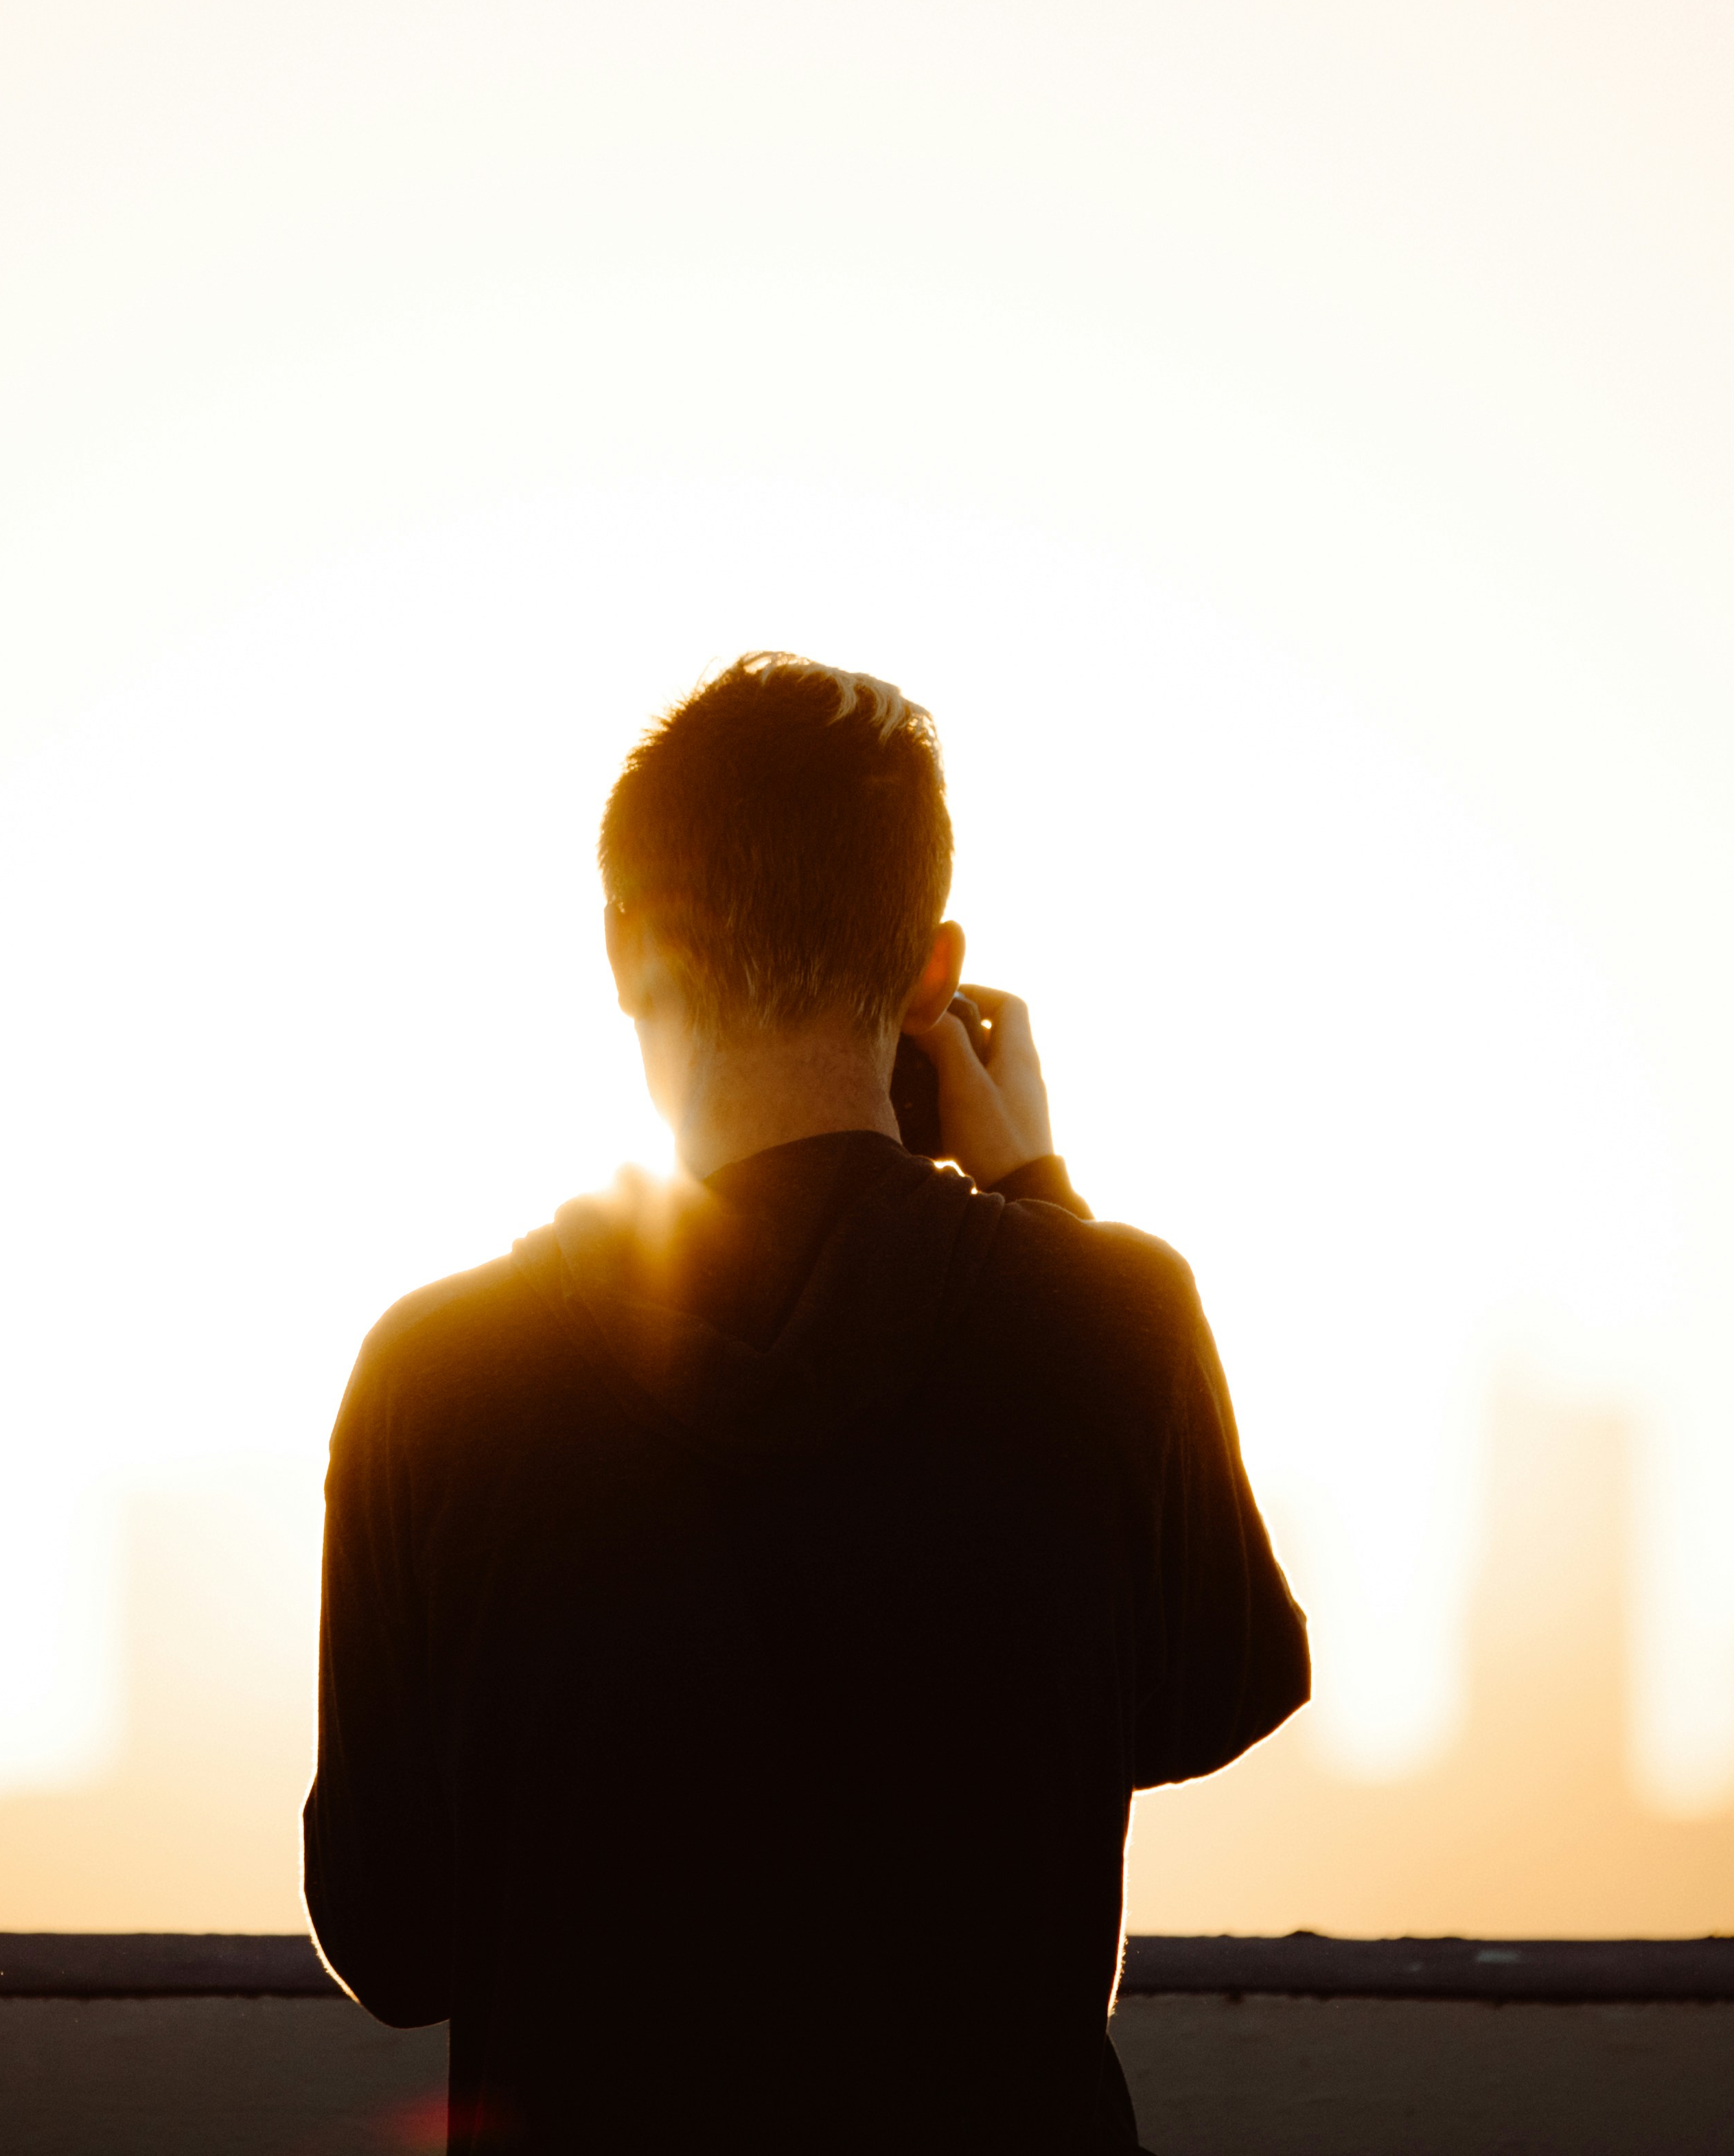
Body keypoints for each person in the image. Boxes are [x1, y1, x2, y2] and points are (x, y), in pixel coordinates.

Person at [304, 653, 1311, 2153]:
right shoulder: (1108, 1319)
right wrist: (1039, 1197)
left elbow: (394, 1941)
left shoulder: (436, 1377)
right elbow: (1207, 1686)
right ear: (929, 971)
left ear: (627, 947)